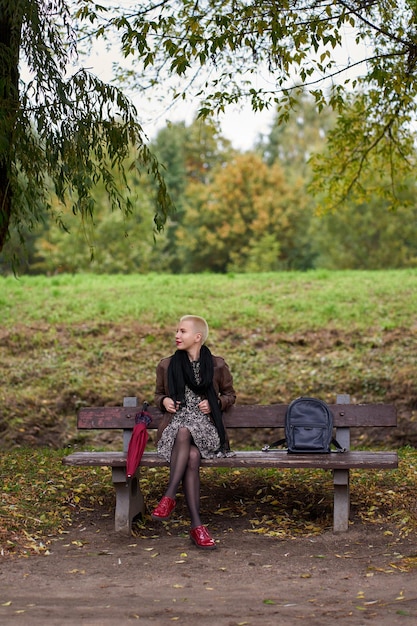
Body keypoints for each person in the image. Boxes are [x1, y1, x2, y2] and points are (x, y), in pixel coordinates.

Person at [151, 314, 236, 549]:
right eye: (177, 331)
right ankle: (197, 526)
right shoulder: (166, 365)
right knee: (191, 454)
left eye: (182, 331)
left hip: (206, 429)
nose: (177, 335)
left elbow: (230, 395)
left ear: (197, 337)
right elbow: (158, 394)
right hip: (175, 429)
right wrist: (164, 401)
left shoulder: (217, 365)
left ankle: (169, 496)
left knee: (186, 432)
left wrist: (216, 403)